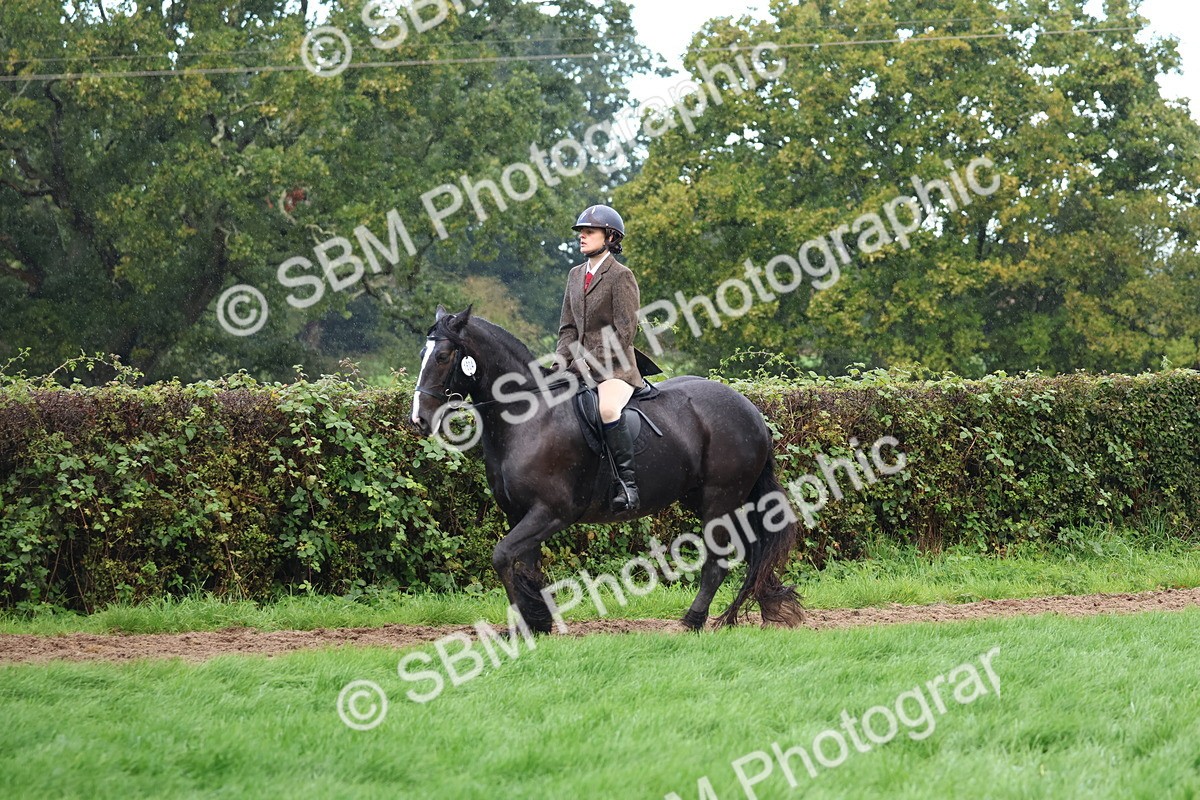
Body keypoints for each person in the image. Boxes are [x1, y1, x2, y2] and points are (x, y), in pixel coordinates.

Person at [556, 204, 643, 511]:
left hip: (615, 369)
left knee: (607, 409)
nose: (582, 237)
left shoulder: (621, 276)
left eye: (588, 232)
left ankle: (627, 485)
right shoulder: (575, 275)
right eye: (581, 232)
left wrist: (584, 365)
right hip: (578, 367)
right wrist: (560, 363)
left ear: (609, 237)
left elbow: (624, 333)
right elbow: (567, 328)